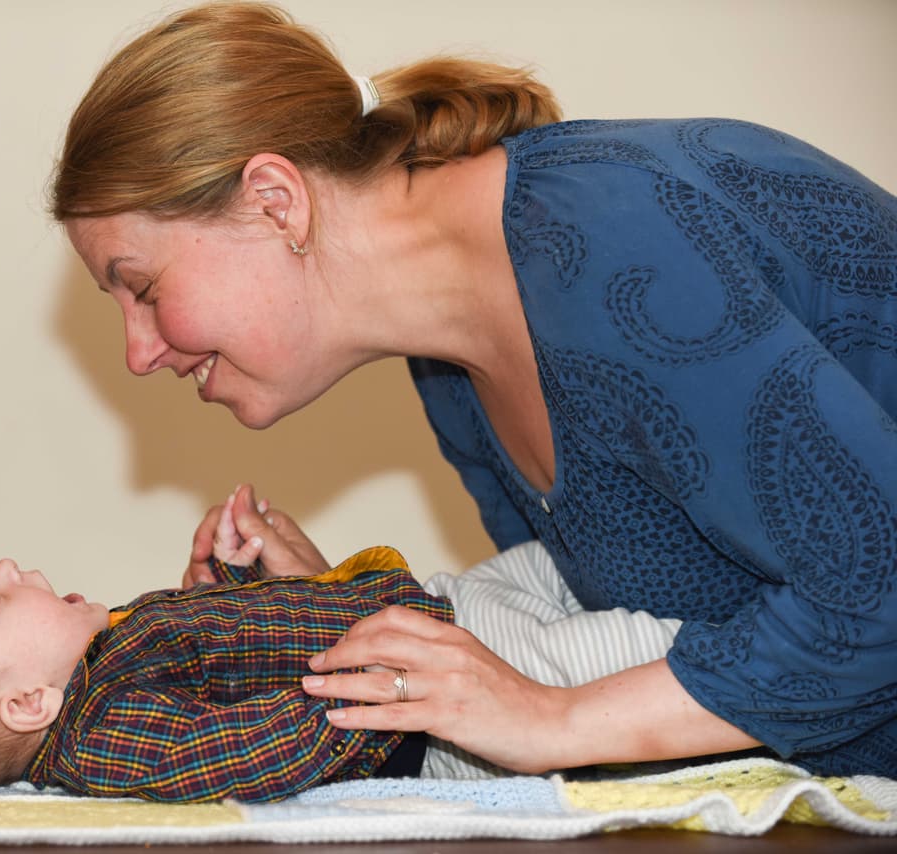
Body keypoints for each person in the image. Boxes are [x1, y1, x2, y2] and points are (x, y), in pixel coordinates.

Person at [50, 1, 897, 778]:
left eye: (143, 288)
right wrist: (342, 621)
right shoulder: (448, 368)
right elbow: (603, 644)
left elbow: (878, 591)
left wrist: (553, 721)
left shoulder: (619, 249)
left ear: (276, 203)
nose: (137, 354)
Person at [0, 485, 680, 798]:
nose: (3, 567)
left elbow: (237, 654)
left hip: (436, 607)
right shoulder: (101, 736)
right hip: (452, 698)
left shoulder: (108, 656)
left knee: (578, 561)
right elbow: (230, 752)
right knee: (649, 651)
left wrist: (235, 578)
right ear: (29, 702)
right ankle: (752, 655)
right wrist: (355, 700)